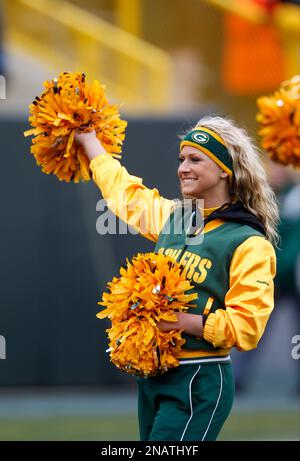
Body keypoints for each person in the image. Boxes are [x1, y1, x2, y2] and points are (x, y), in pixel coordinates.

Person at [75, 116, 278, 441]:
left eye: (195, 159)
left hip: (199, 377)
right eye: (181, 159)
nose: (183, 167)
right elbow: (124, 193)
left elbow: (247, 327)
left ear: (224, 168)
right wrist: (89, 141)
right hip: (155, 375)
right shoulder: (174, 218)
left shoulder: (248, 242)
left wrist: (182, 321)